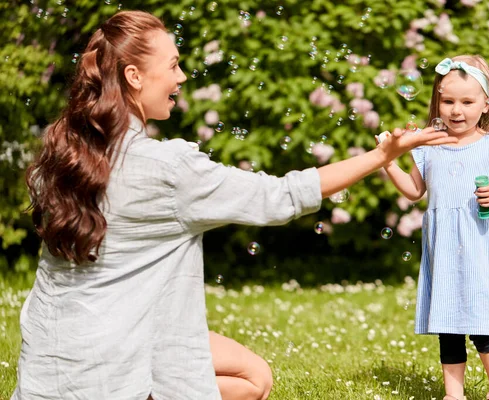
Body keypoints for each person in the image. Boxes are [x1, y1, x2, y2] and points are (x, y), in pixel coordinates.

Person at [12, 10, 458, 400]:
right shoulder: (169, 169)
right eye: (173, 65)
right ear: (134, 77)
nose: (182, 77)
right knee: (252, 382)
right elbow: (280, 196)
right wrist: (383, 156)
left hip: (54, 357)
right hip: (113, 360)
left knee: (253, 374)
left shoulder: (60, 157)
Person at [382, 55, 489, 400]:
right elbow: (415, 191)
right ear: (437, 102)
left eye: (466, 101)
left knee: (482, 322)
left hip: (480, 249)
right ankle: (453, 394)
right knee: (447, 325)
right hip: (444, 251)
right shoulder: (428, 147)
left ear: (486, 103)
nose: (456, 110)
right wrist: (386, 162)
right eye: (448, 101)